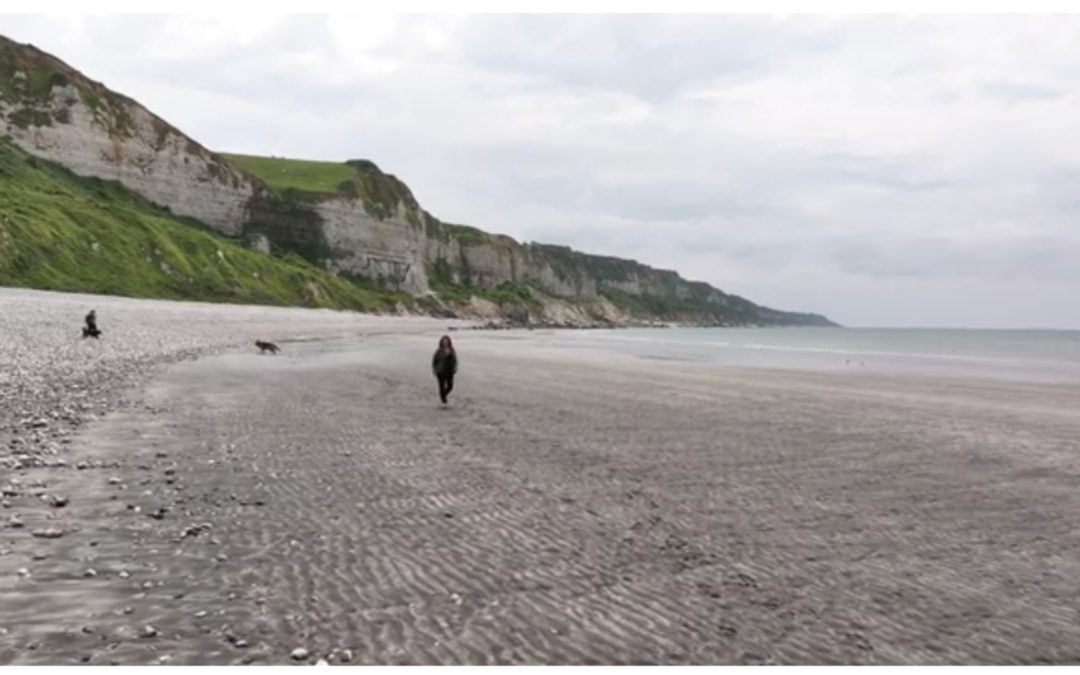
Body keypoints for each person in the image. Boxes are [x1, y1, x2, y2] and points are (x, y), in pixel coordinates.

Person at [431, 335, 458, 405]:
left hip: (449, 371)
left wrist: (455, 367)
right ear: (441, 342)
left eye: (446, 341)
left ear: (449, 342)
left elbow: (454, 360)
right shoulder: (438, 351)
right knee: (441, 386)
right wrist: (434, 369)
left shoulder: (452, 350)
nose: (445, 343)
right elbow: (434, 360)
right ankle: (444, 401)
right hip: (440, 371)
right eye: (444, 342)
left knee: (450, 386)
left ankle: (443, 395)